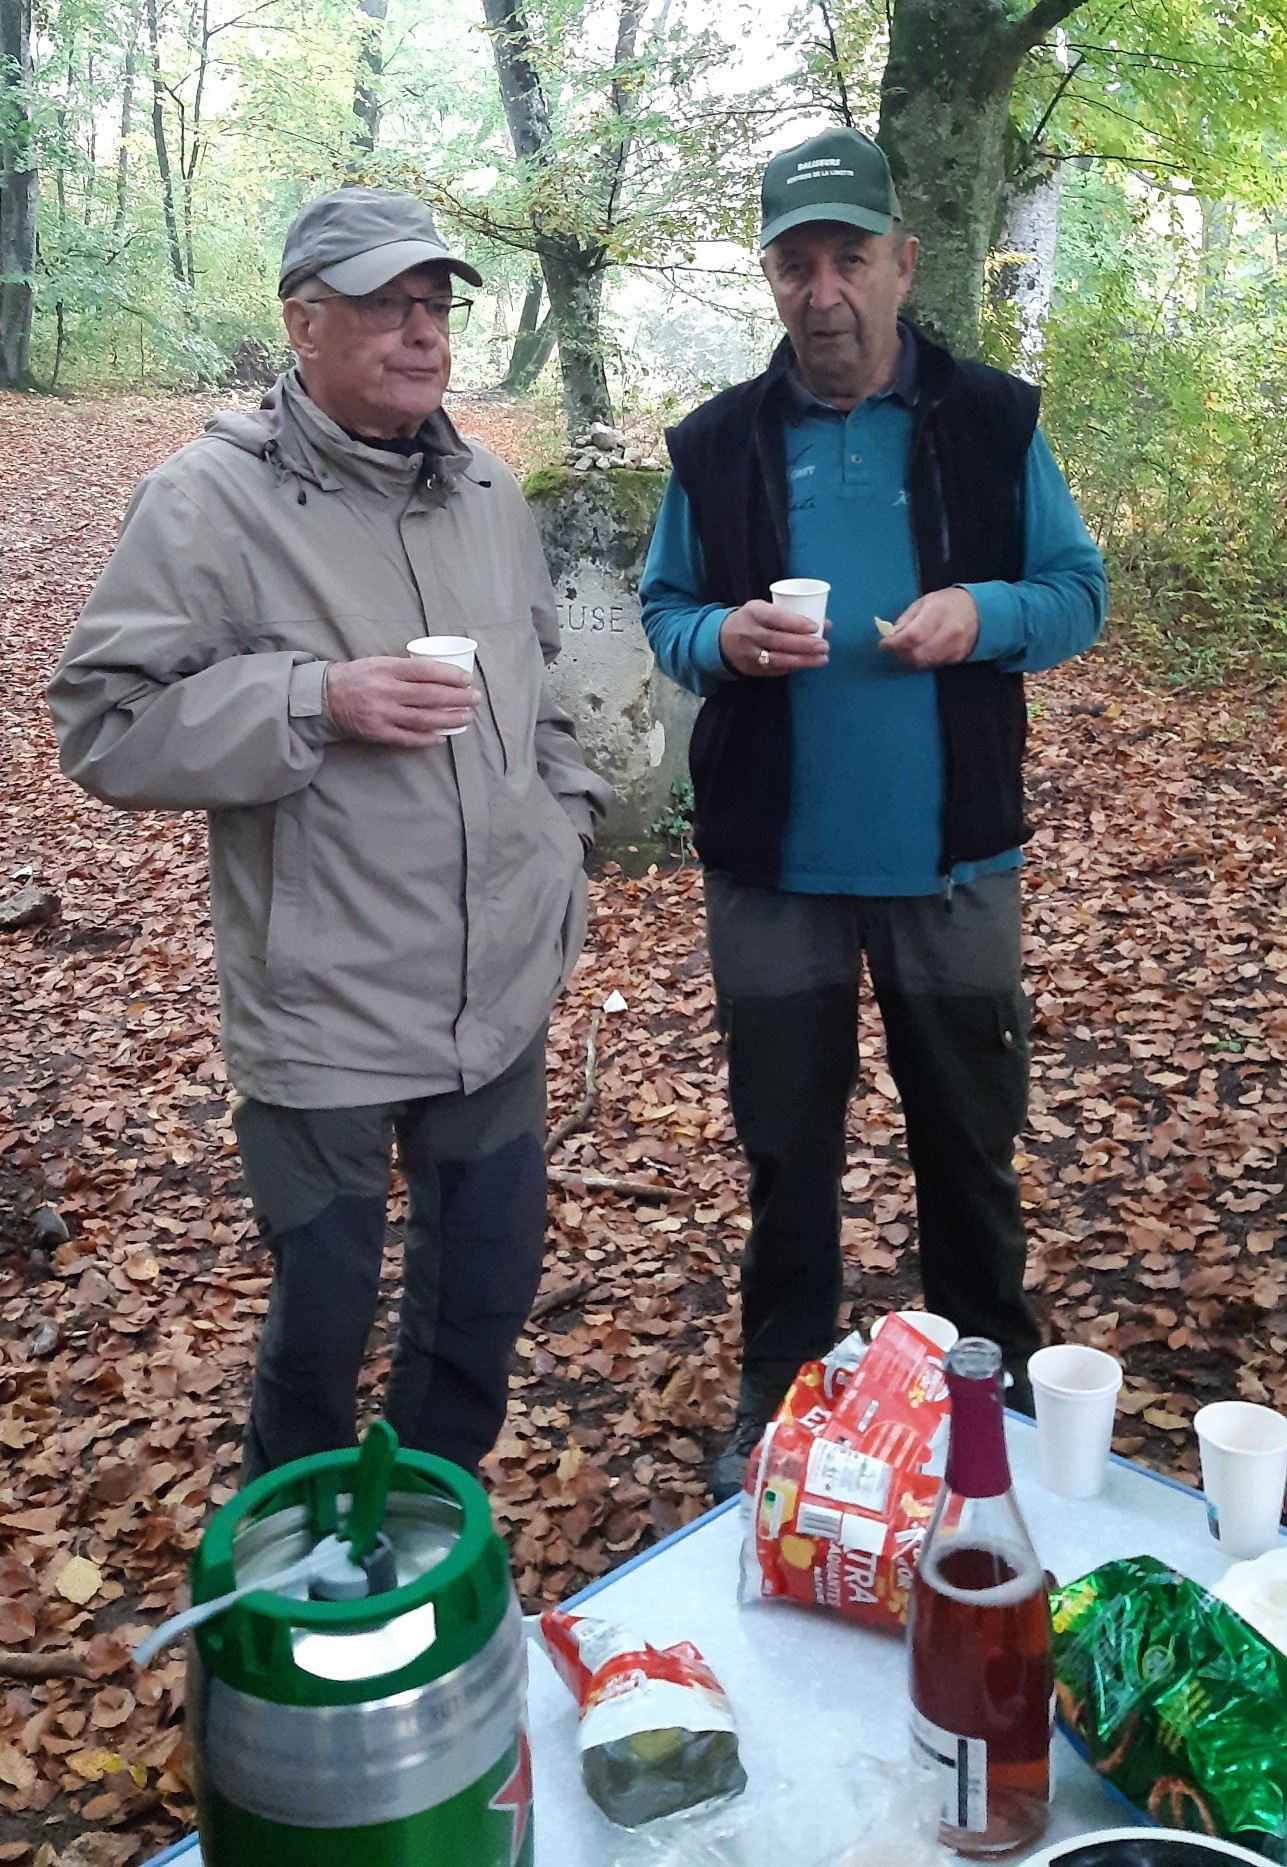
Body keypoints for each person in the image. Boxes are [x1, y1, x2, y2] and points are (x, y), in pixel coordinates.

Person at [48, 188, 611, 1482]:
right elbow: (103, 724)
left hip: (496, 994)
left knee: (480, 1305)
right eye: (381, 306)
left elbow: (549, 693)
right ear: (302, 325)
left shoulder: (485, 494)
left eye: (434, 305)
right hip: (330, 1010)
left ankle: (417, 1535)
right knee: (322, 1331)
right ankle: (288, 1589)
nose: (420, 333)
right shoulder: (208, 502)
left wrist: (563, 845)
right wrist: (316, 698)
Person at [640, 128, 1107, 1500]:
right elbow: (667, 612)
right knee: (788, 1142)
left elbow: (1075, 589)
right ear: (772, 280)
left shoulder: (989, 421)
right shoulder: (718, 443)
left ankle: (993, 1389)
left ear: (903, 264)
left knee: (968, 1130)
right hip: (775, 861)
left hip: (953, 853)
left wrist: (988, 614)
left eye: (850, 257)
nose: (824, 289)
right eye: (797, 262)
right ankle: (783, 1386)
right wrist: (722, 639)